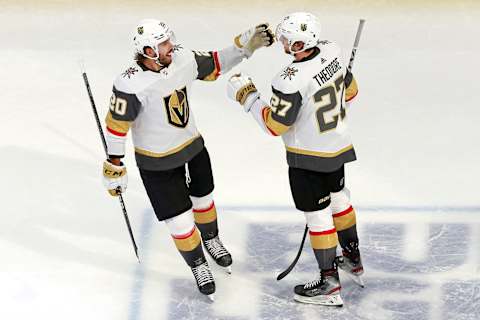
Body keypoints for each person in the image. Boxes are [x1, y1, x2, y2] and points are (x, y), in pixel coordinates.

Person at [102, 18, 274, 300]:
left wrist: (246, 47)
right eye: (163, 43)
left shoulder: (181, 59)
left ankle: (211, 239)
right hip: (156, 163)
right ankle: (198, 264)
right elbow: (116, 125)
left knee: (204, 201)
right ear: (147, 50)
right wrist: (114, 163)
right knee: (180, 222)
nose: (171, 46)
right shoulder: (130, 84)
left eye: (169, 40)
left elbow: (215, 64)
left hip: (192, 147)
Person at [227, 12, 363, 306]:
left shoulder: (289, 80)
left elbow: (275, 126)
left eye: (288, 39)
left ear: (301, 43)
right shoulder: (332, 52)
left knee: (318, 216)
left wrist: (247, 96)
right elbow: (351, 92)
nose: (284, 42)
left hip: (308, 157)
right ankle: (353, 257)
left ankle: (328, 283)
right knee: (340, 199)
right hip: (337, 146)